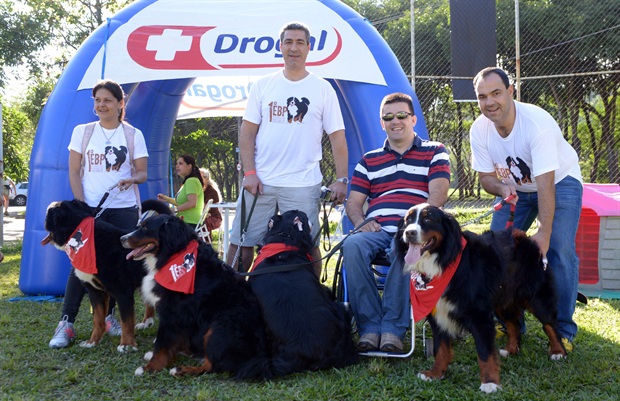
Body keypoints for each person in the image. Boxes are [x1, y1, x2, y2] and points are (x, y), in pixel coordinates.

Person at [469, 67, 583, 351]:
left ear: (511, 91)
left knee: (558, 249)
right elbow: (485, 178)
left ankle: (563, 331)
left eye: (496, 93)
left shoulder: (537, 123)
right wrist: (502, 188)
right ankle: (510, 326)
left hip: (560, 183)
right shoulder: (479, 129)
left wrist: (543, 232)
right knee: (493, 252)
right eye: (483, 97)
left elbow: (545, 185)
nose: (489, 102)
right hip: (516, 190)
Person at [225, 21, 348, 274]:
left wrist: (342, 179)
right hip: (260, 182)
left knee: (309, 246)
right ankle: (229, 300)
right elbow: (247, 133)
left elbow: (337, 138)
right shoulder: (263, 85)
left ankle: (312, 302)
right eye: (289, 42)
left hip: (303, 183)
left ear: (308, 48)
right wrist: (249, 173)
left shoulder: (323, 89)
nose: (294, 48)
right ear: (280, 47)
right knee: (241, 243)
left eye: (300, 42)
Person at [342, 92, 450, 353]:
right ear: (382, 123)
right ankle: (369, 328)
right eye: (388, 117)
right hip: (377, 228)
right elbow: (353, 203)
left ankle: (392, 329)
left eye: (401, 115)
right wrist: (361, 221)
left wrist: (416, 227)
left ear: (413, 119)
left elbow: (438, 195)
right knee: (352, 245)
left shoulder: (435, 151)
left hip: (414, 231)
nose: (395, 121)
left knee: (403, 248)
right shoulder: (368, 160)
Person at [49, 79, 149, 348]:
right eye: (97, 100)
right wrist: (82, 207)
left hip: (124, 209)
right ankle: (66, 324)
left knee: (120, 268)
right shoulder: (82, 131)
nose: (101, 105)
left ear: (120, 104)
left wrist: (132, 179)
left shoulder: (132, 135)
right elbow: (73, 171)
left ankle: (111, 318)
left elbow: (142, 172)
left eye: (107, 100)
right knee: (79, 267)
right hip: (89, 213)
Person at [158, 155, 204, 227]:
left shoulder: (191, 181)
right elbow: (181, 203)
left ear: (189, 166)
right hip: (186, 222)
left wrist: (174, 210)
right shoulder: (189, 181)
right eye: (177, 163)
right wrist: (167, 199)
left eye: (180, 163)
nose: (177, 166)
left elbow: (192, 203)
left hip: (189, 223)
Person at [199, 167, 222, 241]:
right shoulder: (196, 190)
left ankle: (206, 244)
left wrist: (197, 196)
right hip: (201, 216)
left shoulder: (211, 191)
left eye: (203, 177)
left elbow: (206, 208)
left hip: (214, 218)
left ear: (207, 178)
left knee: (203, 223)